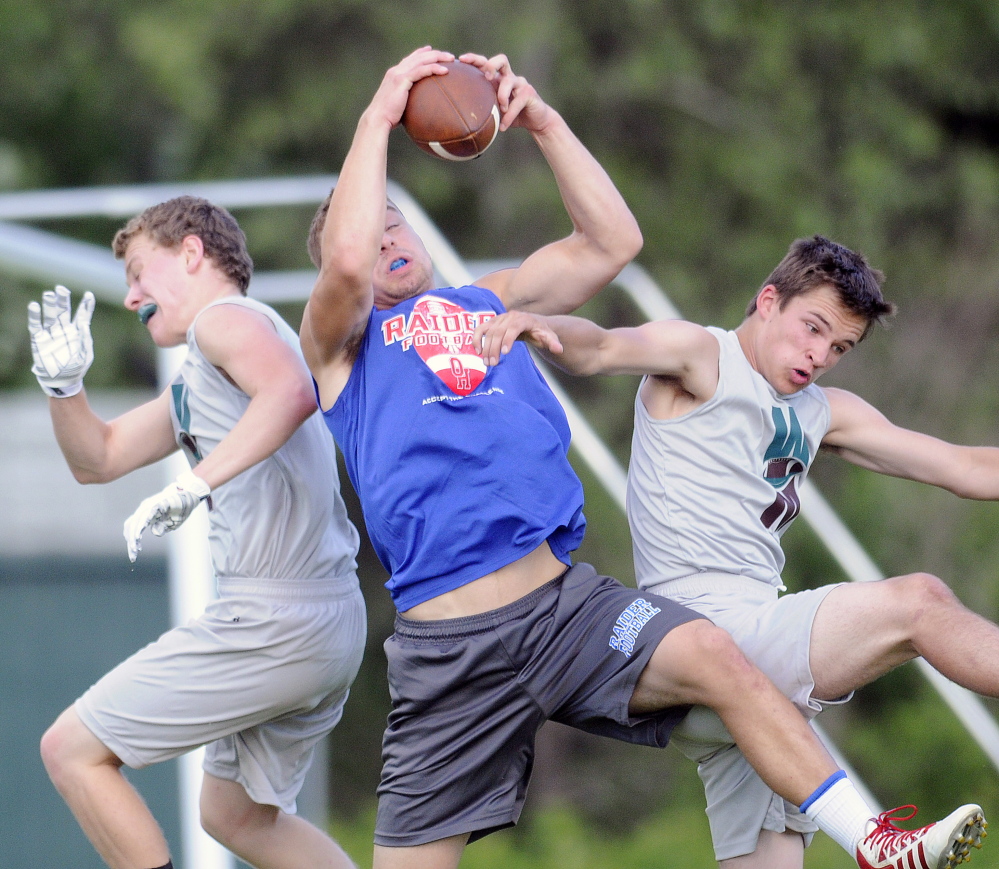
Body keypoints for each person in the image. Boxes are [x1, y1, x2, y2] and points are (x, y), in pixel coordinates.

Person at [300, 46, 984, 869]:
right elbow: (346, 262)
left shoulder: (493, 296)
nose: (384, 241)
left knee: (713, 652)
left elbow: (611, 239)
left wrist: (543, 121)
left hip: (562, 610)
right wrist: (381, 111)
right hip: (450, 650)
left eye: (394, 224)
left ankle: (877, 842)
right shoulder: (341, 348)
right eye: (367, 235)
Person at [475, 234, 998, 868]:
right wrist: (538, 324)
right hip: (698, 631)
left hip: (749, 677)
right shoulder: (704, 356)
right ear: (768, 299)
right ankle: (880, 845)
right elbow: (606, 345)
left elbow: (965, 467)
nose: (819, 355)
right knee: (918, 601)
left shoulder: (823, 412)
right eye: (812, 328)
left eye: (839, 347)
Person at [29, 196, 367, 869]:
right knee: (232, 814)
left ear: (190, 253)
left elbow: (291, 393)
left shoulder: (222, 320)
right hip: (327, 620)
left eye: (137, 272)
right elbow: (98, 459)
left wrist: (195, 483)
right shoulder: (202, 370)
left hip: (276, 615)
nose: (130, 297)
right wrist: (64, 387)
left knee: (69, 749)